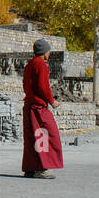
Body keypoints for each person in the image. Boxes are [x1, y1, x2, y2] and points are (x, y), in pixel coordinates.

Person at [21, 39, 63, 178]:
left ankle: (30, 168)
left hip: (29, 105)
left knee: (31, 138)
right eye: (49, 51)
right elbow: (43, 87)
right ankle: (42, 168)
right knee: (45, 135)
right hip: (38, 107)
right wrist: (52, 101)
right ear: (44, 52)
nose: (49, 53)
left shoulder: (29, 65)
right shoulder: (41, 65)